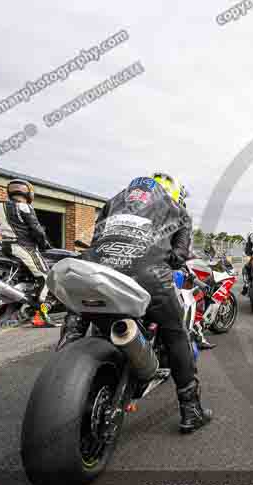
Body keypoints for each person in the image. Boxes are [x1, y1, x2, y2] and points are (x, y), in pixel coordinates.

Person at [57, 172, 213, 434]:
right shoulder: (177, 210)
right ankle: (191, 410)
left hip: (94, 269)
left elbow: (97, 238)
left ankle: (61, 369)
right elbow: (179, 255)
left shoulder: (114, 201)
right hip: (147, 275)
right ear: (176, 194)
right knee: (176, 334)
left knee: (79, 312)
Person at [0, 179, 57, 328]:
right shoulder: (25, 207)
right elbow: (37, 230)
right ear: (28, 192)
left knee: (33, 275)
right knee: (47, 278)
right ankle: (40, 316)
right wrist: (45, 245)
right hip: (23, 246)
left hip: (7, 245)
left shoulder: (0, 206)